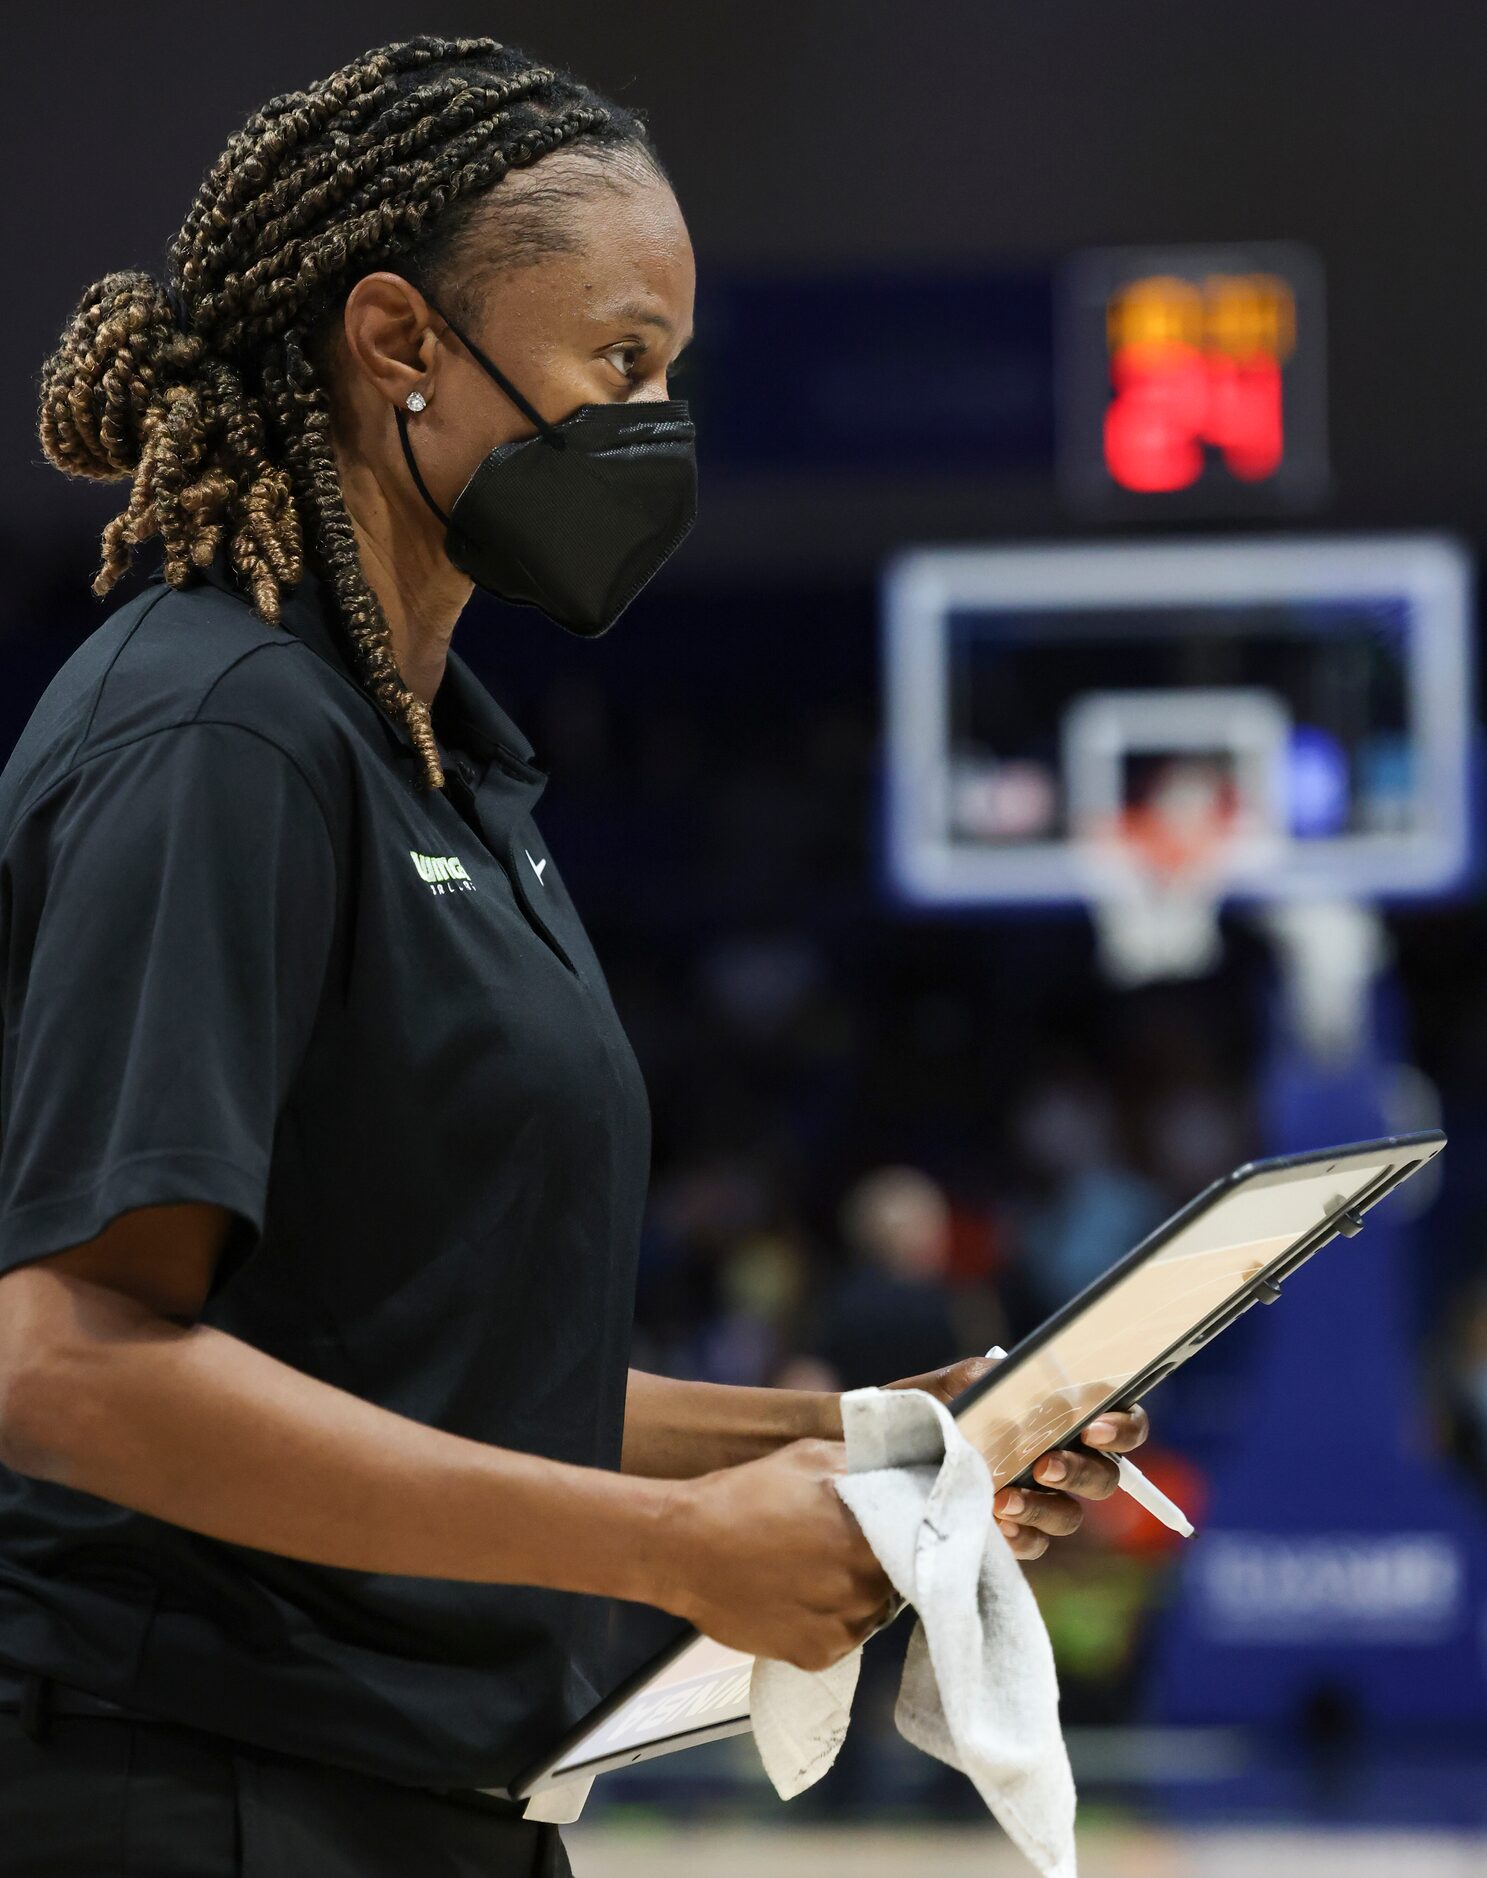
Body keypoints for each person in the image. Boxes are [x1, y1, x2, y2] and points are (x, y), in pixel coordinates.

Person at [0, 36, 1148, 1875]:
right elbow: (71, 1367)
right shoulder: (216, 732)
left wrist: (872, 1435)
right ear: (400, 347)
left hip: (441, 1800)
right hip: (193, 1784)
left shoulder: (457, 763)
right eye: (621, 360)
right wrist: (667, 1550)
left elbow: (438, 1373)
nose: (656, 421)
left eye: (672, 370)